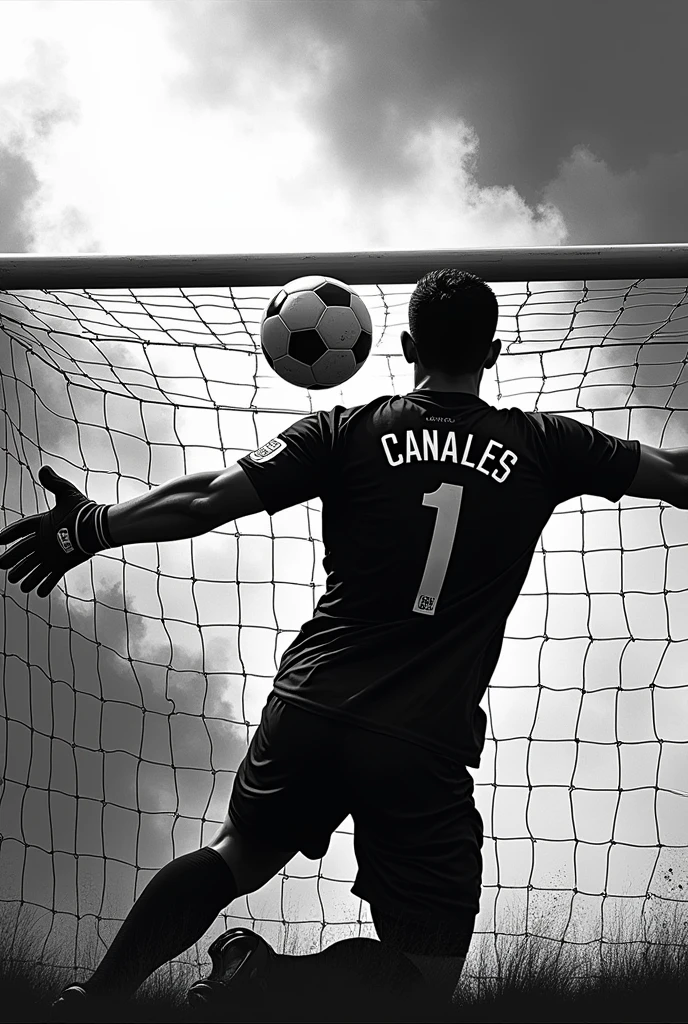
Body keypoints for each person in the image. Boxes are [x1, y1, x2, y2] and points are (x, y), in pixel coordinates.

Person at [0, 269, 680, 1022]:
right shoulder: (548, 445)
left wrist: (89, 526)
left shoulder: (345, 430)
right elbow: (676, 474)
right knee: (426, 977)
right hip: (420, 737)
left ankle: (95, 998)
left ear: (406, 344)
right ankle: (265, 979)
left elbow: (207, 499)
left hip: (312, 705)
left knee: (237, 856)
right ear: (493, 351)